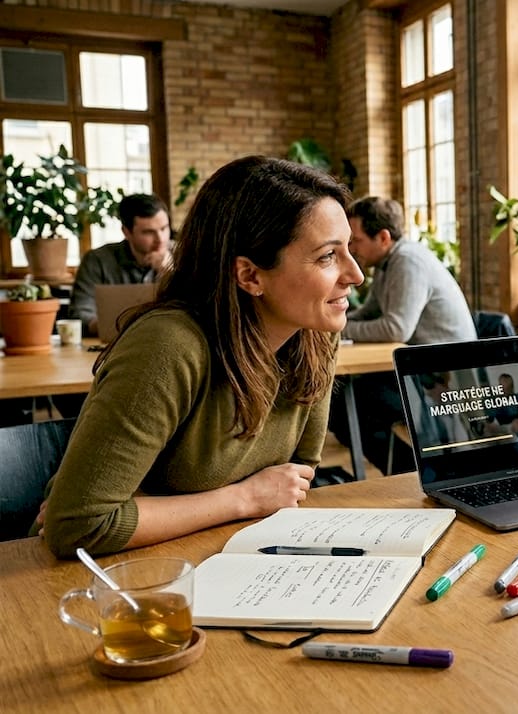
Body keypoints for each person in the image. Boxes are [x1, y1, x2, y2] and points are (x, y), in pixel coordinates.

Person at [37, 156, 363, 558]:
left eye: (348, 249)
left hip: (225, 553)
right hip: (124, 573)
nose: (356, 274)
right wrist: (243, 498)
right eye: (328, 256)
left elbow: (293, 480)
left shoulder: (314, 333)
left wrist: (148, 507)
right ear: (249, 276)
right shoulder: (168, 346)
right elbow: (79, 525)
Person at [330, 196, 477, 474]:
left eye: (356, 241)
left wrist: (339, 327)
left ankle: (413, 472)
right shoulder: (387, 263)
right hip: (419, 366)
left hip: (444, 378)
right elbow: (371, 312)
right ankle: (412, 472)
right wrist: (333, 321)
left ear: (383, 237)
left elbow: (396, 328)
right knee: (344, 401)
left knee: (346, 404)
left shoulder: (407, 262)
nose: (352, 249)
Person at [71, 193, 172, 336]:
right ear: (126, 232)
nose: (160, 239)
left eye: (164, 228)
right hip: (114, 343)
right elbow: (79, 313)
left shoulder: (182, 256)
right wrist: (111, 327)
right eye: (148, 232)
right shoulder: (98, 260)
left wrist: (170, 273)